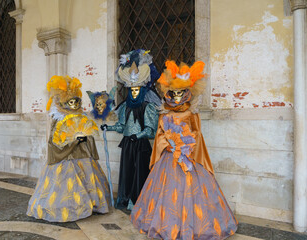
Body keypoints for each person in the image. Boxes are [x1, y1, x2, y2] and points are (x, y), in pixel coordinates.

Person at [130, 60, 238, 239]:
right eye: (174, 93)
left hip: (187, 157)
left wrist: (185, 145)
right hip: (168, 158)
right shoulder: (165, 113)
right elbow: (160, 135)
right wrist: (169, 144)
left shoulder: (191, 113)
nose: (178, 96)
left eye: (181, 93)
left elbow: (196, 133)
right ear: (169, 93)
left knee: (191, 192)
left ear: (187, 92)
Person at [27, 75, 110, 222]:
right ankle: (69, 209)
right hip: (65, 159)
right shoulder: (58, 118)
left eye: (75, 101)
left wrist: (85, 139)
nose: (73, 104)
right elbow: (54, 141)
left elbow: (89, 134)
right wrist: (72, 142)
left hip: (83, 157)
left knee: (87, 183)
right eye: (70, 102)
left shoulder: (83, 117)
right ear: (63, 102)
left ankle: (91, 205)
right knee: (66, 187)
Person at [101, 49, 159, 209]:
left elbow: (150, 129)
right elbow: (121, 126)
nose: (134, 93)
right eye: (131, 90)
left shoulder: (148, 107)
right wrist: (108, 127)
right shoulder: (125, 106)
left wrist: (138, 135)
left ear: (142, 90)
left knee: (140, 172)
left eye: (137, 90)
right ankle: (126, 199)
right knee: (126, 172)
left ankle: (139, 201)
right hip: (127, 144)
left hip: (140, 146)